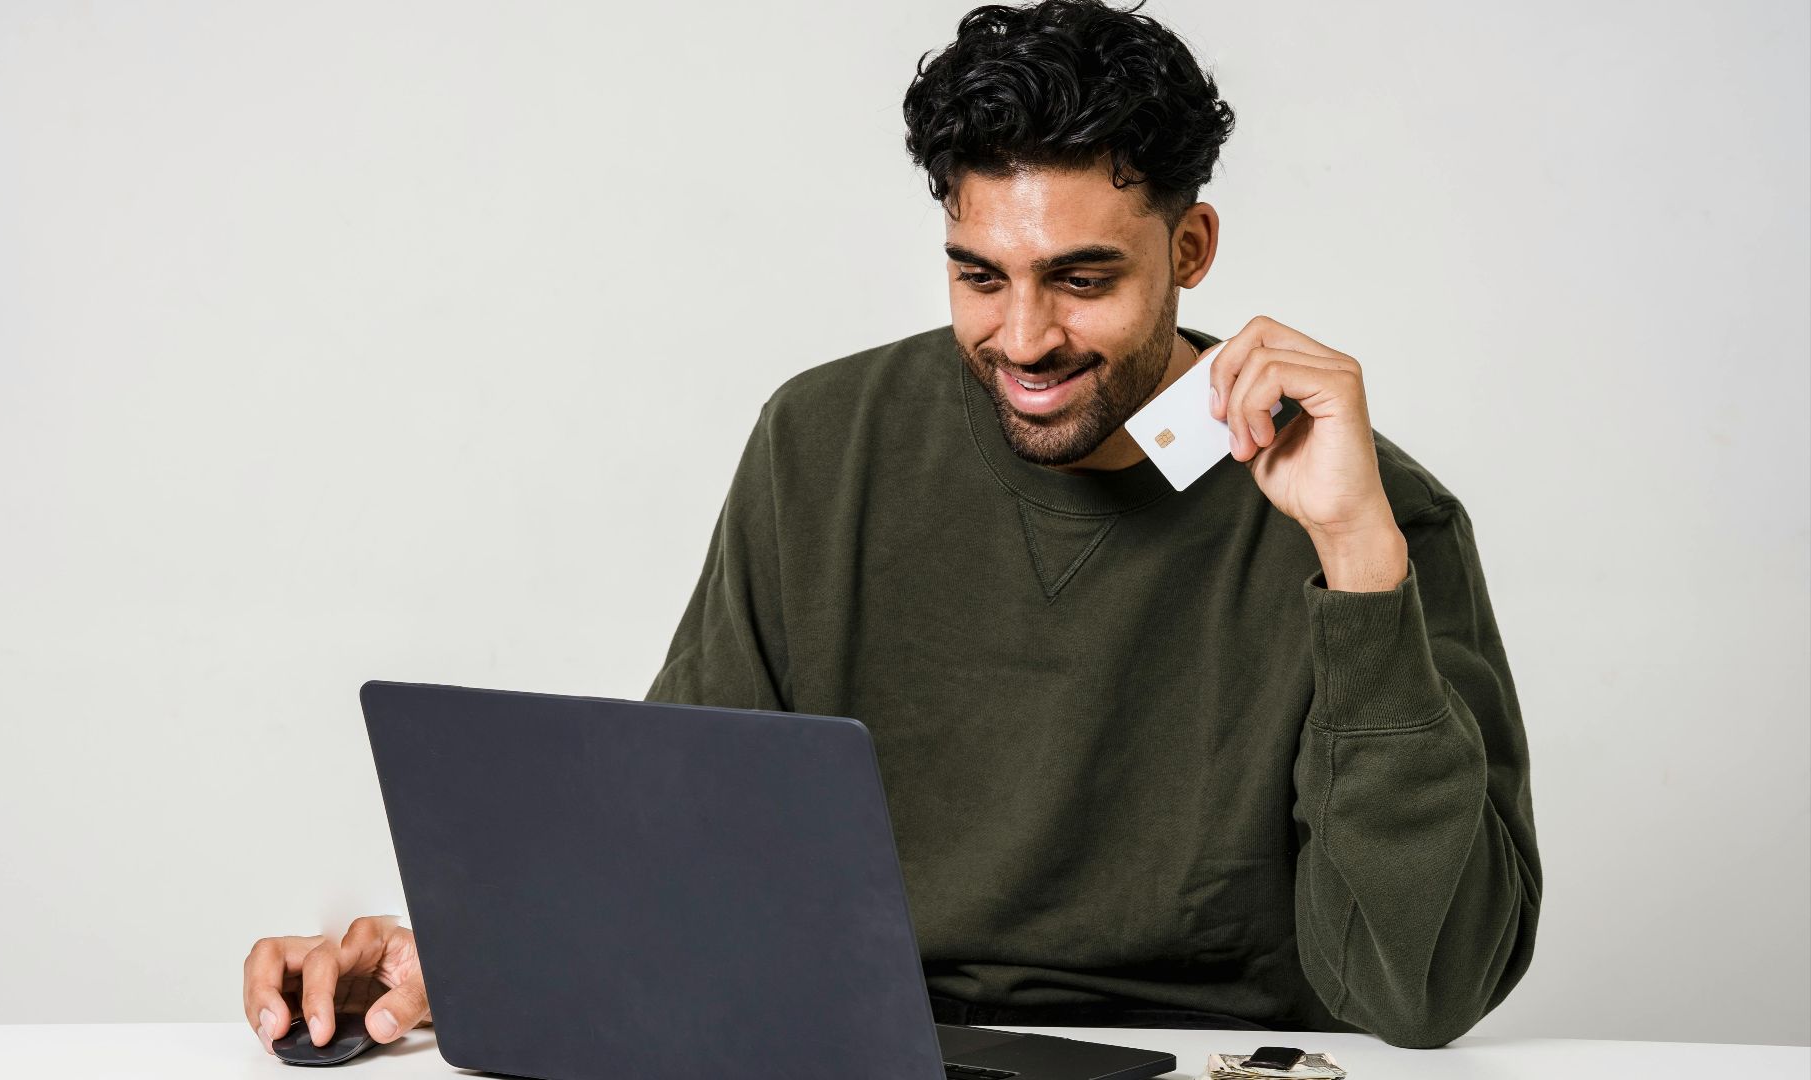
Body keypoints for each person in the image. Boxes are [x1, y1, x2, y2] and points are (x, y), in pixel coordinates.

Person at [243, 0, 1540, 1054]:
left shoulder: (1370, 509)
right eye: (982, 275)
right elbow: (683, 851)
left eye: (1082, 279)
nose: (1023, 339)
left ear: (1191, 246)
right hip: (876, 1055)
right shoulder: (827, 441)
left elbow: (1423, 996)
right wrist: (453, 956)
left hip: (1214, 1064)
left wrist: (1360, 566)